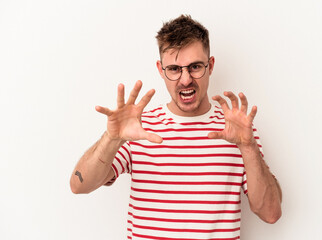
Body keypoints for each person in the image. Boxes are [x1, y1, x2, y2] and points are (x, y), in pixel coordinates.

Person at [70, 15, 282, 239]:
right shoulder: (138, 128)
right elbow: (79, 185)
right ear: (161, 70)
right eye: (174, 69)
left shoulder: (237, 131)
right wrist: (112, 138)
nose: (185, 79)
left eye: (195, 67)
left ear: (210, 66)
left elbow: (270, 213)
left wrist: (248, 147)